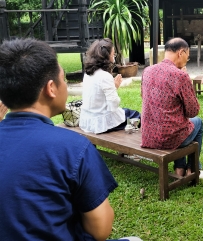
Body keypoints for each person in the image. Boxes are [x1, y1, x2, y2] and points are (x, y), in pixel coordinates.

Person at [0, 38, 141, 241]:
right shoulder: (73, 147)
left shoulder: (91, 75)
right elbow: (100, 229)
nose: (65, 86)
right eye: (63, 80)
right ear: (51, 88)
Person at [141, 38, 203, 179]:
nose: (187, 59)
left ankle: (179, 168)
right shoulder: (180, 76)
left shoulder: (147, 71)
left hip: (148, 135)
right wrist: (187, 81)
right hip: (168, 138)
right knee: (197, 123)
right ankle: (192, 169)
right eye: (187, 56)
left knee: (180, 124)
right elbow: (193, 111)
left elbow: (145, 97)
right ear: (181, 52)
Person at [79, 38, 140, 134]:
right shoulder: (105, 76)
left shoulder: (88, 73)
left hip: (86, 120)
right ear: (107, 56)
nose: (114, 57)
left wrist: (113, 87)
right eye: (113, 54)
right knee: (136, 115)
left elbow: (97, 96)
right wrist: (113, 89)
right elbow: (113, 105)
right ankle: (126, 142)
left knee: (127, 112)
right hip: (101, 123)